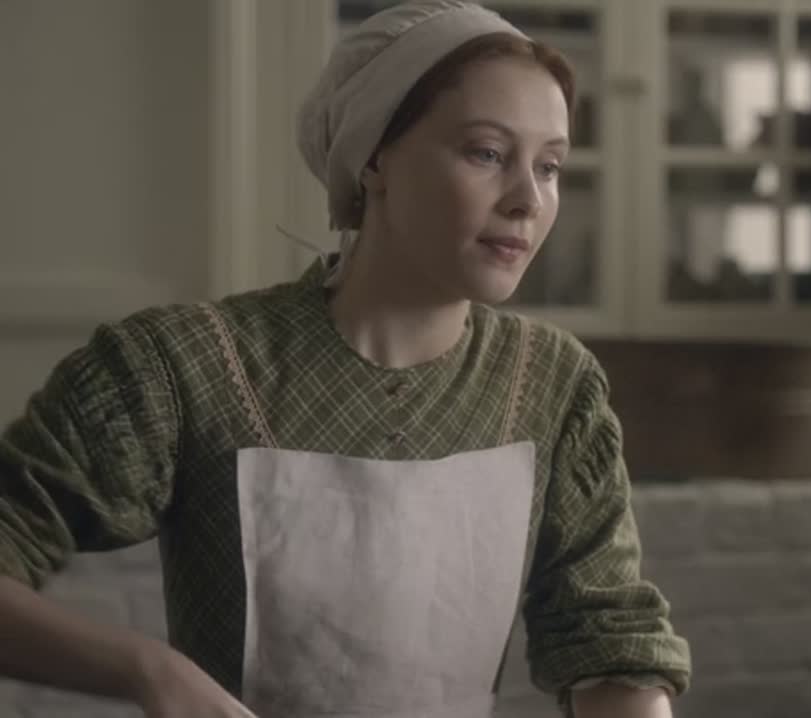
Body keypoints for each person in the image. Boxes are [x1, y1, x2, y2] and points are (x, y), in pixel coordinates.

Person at [0, 2, 691, 716]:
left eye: (549, 166)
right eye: (487, 153)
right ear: (374, 158)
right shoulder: (187, 367)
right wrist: (147, 669)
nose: (529, 200)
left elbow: (609, 639)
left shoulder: (552, 382)